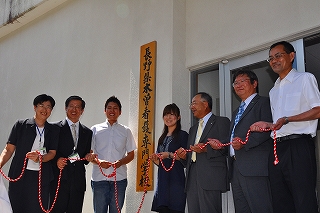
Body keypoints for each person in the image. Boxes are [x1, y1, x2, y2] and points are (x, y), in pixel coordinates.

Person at [250, 41, 320, 213]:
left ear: (291, 56)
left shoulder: (305, 79)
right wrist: (268, 125)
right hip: (276, 148)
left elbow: (317, 110)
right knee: (280, 201)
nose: (274, 61)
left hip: (299, 146)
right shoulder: (273, 91)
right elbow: (278, 123)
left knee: (304, 200)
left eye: (278, 56)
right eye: (271, 58)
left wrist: (288, 119)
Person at [210, 70, 273, 213]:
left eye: (242, 81)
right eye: (235, 83)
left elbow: (267, 130)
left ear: (254, 83)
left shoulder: (264, 102)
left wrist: (244, 143)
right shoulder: (237, 111)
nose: (238, 85)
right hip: (236, 169)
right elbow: (233, 138)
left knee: (261, 207)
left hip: (255, 168)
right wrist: (221, 145)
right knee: (242, 209)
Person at [0, 94, 59, 213]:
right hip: (20, 176)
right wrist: (0, 163)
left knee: (37, 209)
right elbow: (9, 149)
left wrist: (40, 158)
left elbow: (52, 153)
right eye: (41, 105)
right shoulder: (21, 125)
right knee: (17, 207)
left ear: (51, 111)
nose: (45, 110)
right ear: (35, 107)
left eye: (48, 107)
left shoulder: (53, 130)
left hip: (41, 178)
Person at [177, 92, 230, 213]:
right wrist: (183, 157)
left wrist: (206, 149)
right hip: (192, 178)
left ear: (205, 104)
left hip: (210, 176)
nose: (191, 107)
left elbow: (226, 148)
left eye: (194, 103)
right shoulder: (193, 129)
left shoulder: (221, 122)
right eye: (191, 104)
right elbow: (190, 156)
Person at [90, 96, 137, 213]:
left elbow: (131, 154)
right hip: (99, 179)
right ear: (104, 110)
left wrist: (121, 162)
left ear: (120, 112)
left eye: (115, 108)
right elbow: (89, 154)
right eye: (109, 108)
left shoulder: (126, 131)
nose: (112, 111)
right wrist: (100, 162)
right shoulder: (95, 129)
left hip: (119, 180)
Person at [50, 95, 93, 213]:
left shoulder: (87, 132)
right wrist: (56, 160)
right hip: (58, 180)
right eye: (71, 106)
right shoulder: (54, 128)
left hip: (77, 183)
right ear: (65, 108)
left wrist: (89, 157)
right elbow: (47, 151)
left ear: (82, 111)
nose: (74, 110)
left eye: (78, 107)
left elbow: (84, 157)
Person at [150, 103, 188, 213]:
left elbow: (185, 159)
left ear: (178, 117)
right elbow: (160, 163)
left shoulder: (183, 135)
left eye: (172, 114)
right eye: (166, 115)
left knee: (175, 209)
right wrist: (155, 158)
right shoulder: (162, 138)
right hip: (162, 181)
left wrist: (169, 154)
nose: (168, 118)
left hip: (176, 180)